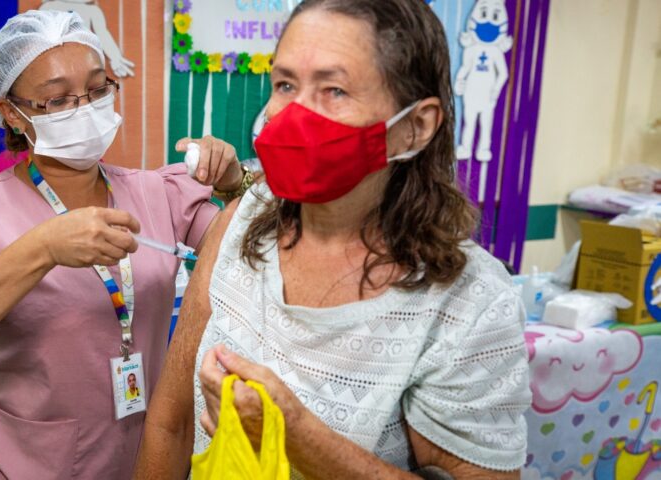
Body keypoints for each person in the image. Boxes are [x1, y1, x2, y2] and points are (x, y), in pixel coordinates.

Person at [135, 1, 531, 478]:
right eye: (285, 84)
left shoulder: (467, 303)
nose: (293, 114)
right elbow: (170, 423)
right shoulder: (242, 222)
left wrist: (298, 437)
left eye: (334, 89)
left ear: (414, 126)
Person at [0, 10, 253, 479]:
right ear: (11, 111)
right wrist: (41, 249)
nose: (84, 107)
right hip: (19, 465)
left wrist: (236, 185)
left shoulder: (161, 194)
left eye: (98, 88)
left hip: (142, 457)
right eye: (57, 99)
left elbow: (263, 257)